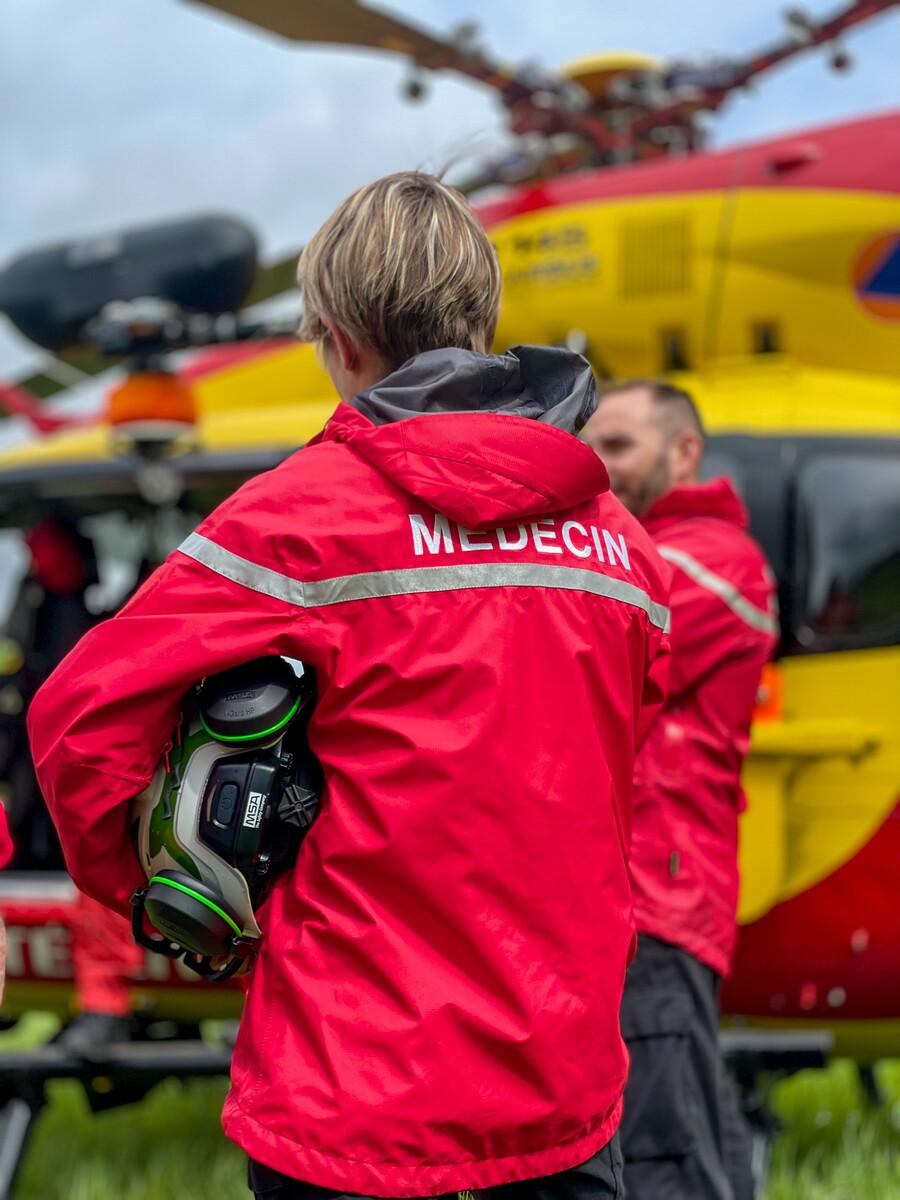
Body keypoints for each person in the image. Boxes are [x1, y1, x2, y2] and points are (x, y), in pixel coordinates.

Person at [28, 172, 670, 1200]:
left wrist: (177, 896)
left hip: (351, 1094)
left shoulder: (300, 515)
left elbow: (82, 717)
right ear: (481, 319)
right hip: (562, 1089)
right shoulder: (619, 546)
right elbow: (624, 742)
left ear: (338, 339)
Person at [581, 380, 779, 1200]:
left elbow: (590, 645)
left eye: (619, 446)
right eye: (589, 447)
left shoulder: (711, 560)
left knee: (660, 1154)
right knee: (694, 1136)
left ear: (684, 450)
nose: (598, 466)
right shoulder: (658, 553)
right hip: (652, 898)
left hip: (652, 900)